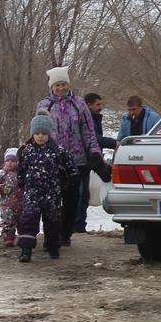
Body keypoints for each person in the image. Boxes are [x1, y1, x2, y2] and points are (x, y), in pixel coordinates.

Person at [37, 66, 111, 247]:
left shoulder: (79, 104)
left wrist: (94, 152)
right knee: (52, 199)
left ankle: (66, 232)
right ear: (52, 86)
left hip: (76, 160)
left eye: (63, 84)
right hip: (52, 160)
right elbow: (38, 131)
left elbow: (88, 131)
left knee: (72, 199)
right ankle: (52, 233)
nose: (60, 88)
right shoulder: (44, 106)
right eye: (57, 85)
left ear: (68, 84)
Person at [16, 111, 76, 263]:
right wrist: (21, 182)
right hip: (32, 193)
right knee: (29, 220)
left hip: (52, 193)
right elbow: (21, 168)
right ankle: (26, 249)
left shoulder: (58, 151)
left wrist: (70, 183)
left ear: (49, 134)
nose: (40, 136)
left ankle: (53, 246)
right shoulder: (27, 150)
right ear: (32, 134)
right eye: (37, 133)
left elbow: (72, 168)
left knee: (52, 221)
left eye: (43, 133)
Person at [75, 93, 119, 234]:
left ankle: (79, 225)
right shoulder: (88, 119)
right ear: (89, 105)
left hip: (90, 159)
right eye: (98, 104)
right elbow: (94, 138)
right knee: (80, 194)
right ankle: (76, 226)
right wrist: (114, 143)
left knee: (84, 195)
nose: (101, 107)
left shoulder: (94, 118)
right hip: (82, 160)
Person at [0, 147, 24, 247]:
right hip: (7, 204)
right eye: (7, 161)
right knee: (8, 221)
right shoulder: (1, 174)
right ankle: (8, 238)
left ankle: (24, 237)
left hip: (22, 203)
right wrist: (1, 188)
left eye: (13, 161)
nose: (10, 163)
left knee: (23, 222)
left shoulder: (22, 174)